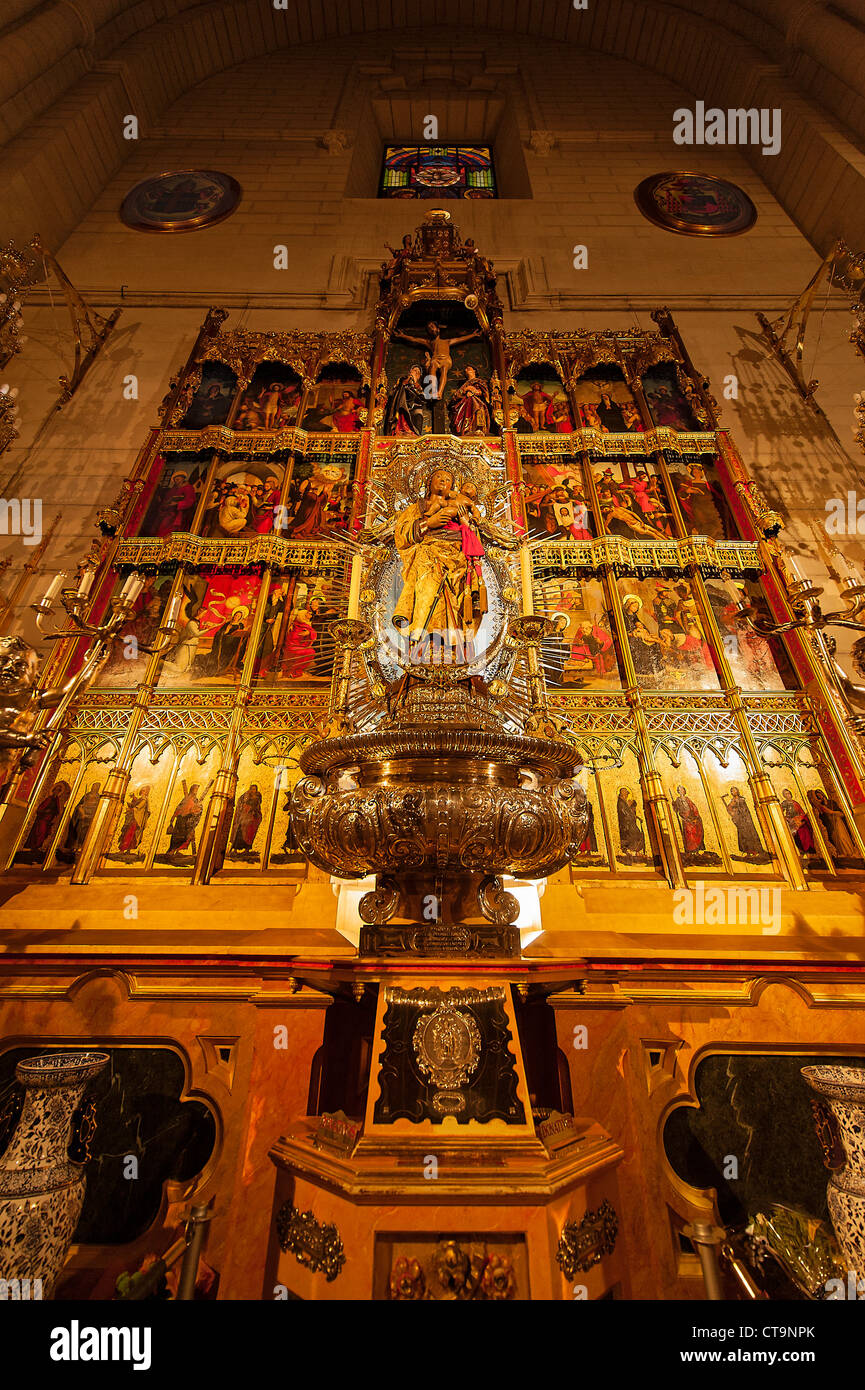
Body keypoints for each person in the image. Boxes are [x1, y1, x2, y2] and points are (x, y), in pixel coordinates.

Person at [393, 321, 481, 397]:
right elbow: (415, 339)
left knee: (444, 370)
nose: (431, 329)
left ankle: (440, 392)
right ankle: (433, 390)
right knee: (432, 366)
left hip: (446, 359)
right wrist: (403, 336)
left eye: (432, 327)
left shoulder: (447, 341)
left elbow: (460, 339)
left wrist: (473, 335)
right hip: (435, 359)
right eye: (429, 328)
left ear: (438, 329)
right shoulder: (429, 342)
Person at [721, 786, 765, 858]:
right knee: (743, 836)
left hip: (746, 820)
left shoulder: (742, 799)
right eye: (732, 791)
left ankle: (755, 851)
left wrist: (740, 814)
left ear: (737, 791)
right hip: (740, 821)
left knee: (750, 834)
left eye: (734, 790)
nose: (733, 792)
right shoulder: (733, 801)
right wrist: (733, 814)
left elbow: (745, 810)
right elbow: (729, 808)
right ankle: (748, 852)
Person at [384, 364, 428, 436]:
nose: (417, 372)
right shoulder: (404, 380)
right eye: (415, 370)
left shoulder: (419, 387)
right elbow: (397, 392)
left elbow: (422, 400)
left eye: (418, 372)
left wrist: (417, 392)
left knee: (418, 416)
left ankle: (416, 435)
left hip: (415, 408)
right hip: (404, 406)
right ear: (410, 372)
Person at [448, 367, 491, 436]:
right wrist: (466, 390)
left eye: (469, 369)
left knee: (475, 404)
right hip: (465, 403)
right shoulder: (464, 385)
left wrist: (473, 391)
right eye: (465, 370)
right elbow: (456, 396)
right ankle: (466, 429)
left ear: (474, 371)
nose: (466, 370)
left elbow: (483, 393)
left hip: (476, 401)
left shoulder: (479, 381)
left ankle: (477, 428)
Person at [780, 787, 817, 854]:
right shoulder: (784, 803)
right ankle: (800, 850)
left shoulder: (795, 803)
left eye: (788, 793)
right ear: (784, 796)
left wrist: (800, 819)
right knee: (795, 834)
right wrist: (787, 819)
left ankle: (809, 848)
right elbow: (780, 813)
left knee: (804, 829)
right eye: (786, 794)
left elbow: (801, 812)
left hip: (799, 821)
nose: (788, 795)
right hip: (791, 822)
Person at [117, 785, 151, 855]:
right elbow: (136, 803)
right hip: (134, 818)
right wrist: (133, 798)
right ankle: (126, 850)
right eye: (142, 790)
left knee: (130, 833)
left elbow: (138, 807)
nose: (143, 791)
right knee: (129, 833)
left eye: (144, 791)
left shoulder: (144, 800)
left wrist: (131, 809)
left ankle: (124, 849)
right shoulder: (141, 799)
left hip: (136, 819)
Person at [230, 784, 263, 854]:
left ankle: (247, 849)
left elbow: (258, 807)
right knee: (240, 832)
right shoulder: (245, 795)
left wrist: (255, 812)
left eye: (255, 789)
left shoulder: (257, 797)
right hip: (244, 817)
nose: (253, 791)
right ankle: (235, 849)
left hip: (252, 818)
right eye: (252, 789)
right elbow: (241, 803)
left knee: (250, 834)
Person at [672, 785, 705, 853]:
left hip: (692, 818)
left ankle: (696, 849)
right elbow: (676, 810)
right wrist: (674, 805)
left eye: (682, 790)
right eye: (679, 790)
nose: (681, 791)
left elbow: (694, 808)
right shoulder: (678, 800)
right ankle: (690, 850)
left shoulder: (687, 799)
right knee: (688, 834)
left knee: (695, 833)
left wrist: (695, 817)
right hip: (685, 819)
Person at [617, 787, 645, 857]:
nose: (627, 796)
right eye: (626, 794)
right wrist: (629, 808)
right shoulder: (621, 802)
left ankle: (634, 851)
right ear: (622, 794)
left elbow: (629, 813)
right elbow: (624, 813)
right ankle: (631, 851)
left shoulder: (624, 802)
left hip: (630, 823)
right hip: (626, 824)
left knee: (638, 834)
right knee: (634, 834)